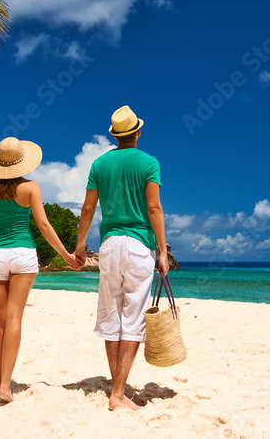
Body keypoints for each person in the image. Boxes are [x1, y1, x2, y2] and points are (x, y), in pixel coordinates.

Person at [75, 105, 169, 411]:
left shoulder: (99, 163)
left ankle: (118, 387)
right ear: (138, 132)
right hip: (139, 246)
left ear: (115, 135)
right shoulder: (149, 162)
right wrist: (163, 251)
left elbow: (88, 209)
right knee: (133, 319)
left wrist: (79, 246)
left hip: (109, 244)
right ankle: (118, 393)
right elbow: (154, 209)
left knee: (111, 316)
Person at [0, 137, 80, 403]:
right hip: (23, 254)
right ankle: (5, 387)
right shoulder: (31, 187)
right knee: (14, 319)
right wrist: (67, 256)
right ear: (21, 161)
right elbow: (44, 226)